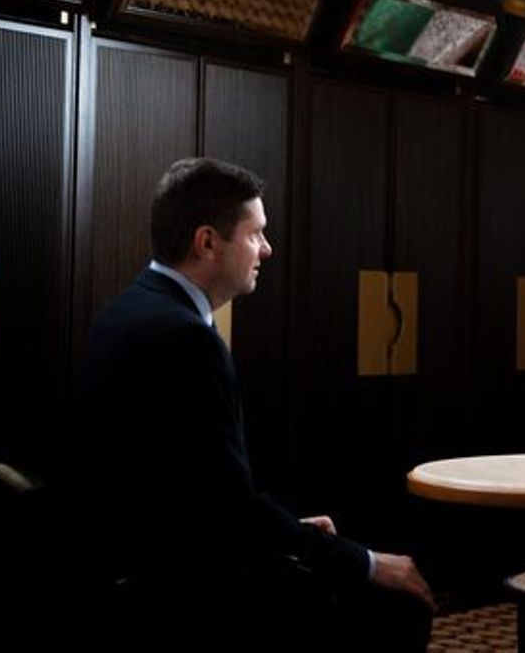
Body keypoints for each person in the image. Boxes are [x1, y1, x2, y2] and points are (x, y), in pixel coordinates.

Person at [77, 157, 433, 649]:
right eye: (255, 234)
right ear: (207, 242)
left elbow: (192, 491)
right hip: (177, 586)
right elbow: (227, 509)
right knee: (399, 602)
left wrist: (289, 534)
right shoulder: (185, 338)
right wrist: (363, 561)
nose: (267, 248)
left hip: (137, 559)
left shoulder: (128, 309)